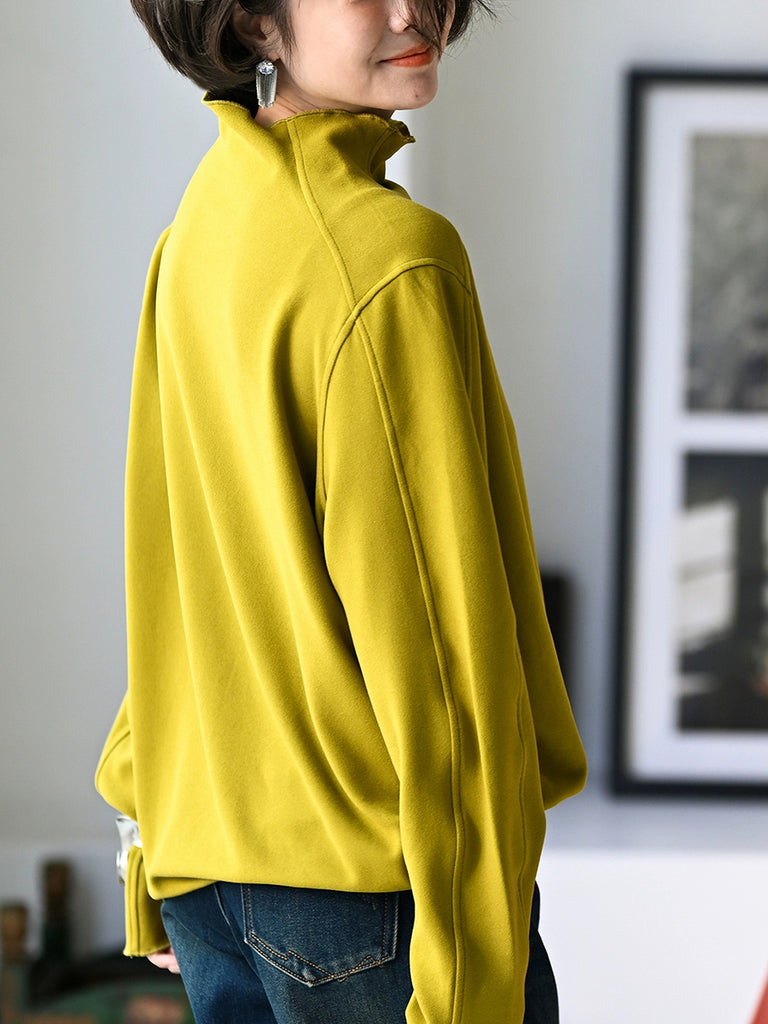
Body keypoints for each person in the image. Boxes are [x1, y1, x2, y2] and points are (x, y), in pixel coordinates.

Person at [95, 0, 587, 1021]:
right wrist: (469, 987)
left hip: (208, 881)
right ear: (252, 21)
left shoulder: (202, 225)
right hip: (373, 903)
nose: (413, 10)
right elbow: (445, 666)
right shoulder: (389, 258)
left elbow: (175, 565)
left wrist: (151, 834)